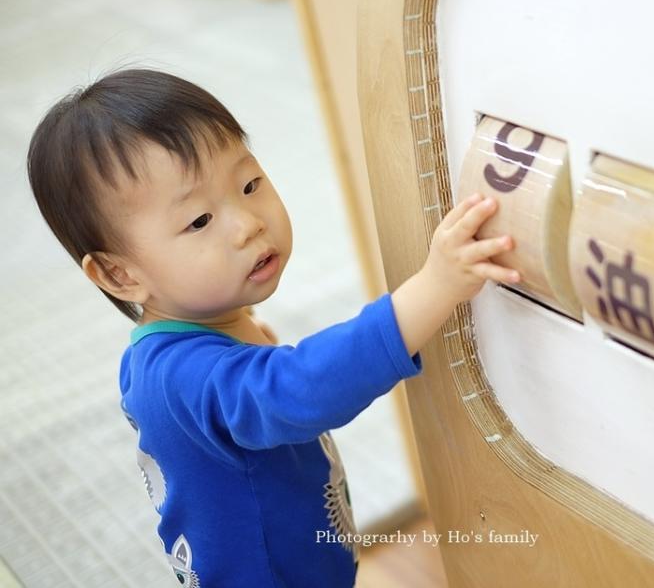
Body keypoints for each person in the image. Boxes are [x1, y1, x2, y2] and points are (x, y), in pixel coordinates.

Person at [26, 68, 521, 587]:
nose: (248, 223)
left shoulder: (168, 349)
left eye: (249, 184)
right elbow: (305, 387)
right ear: (118, 274)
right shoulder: (186, 378)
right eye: (199, 221)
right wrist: (436, 286)